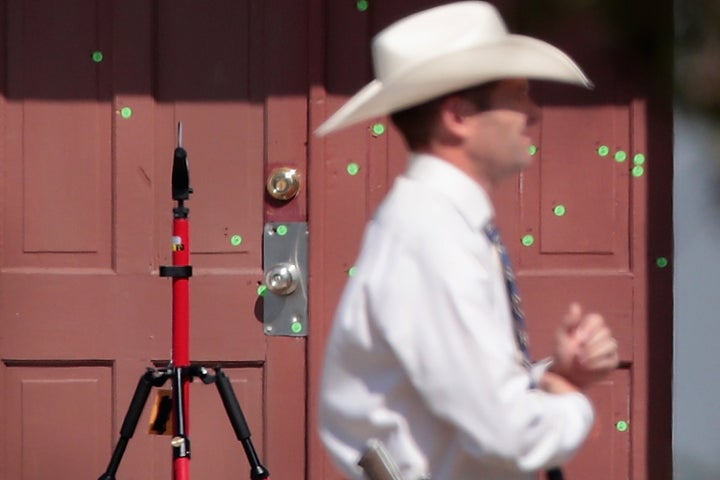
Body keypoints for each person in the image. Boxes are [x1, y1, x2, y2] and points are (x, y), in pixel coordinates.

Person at [315, 2, 620, 479]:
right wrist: (569, 399)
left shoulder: (440, 225)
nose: (532, 113)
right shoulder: (429, 235)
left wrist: (550, 376)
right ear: (457, 115)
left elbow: (455, 396)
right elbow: (507, 435)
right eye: (516, 96)